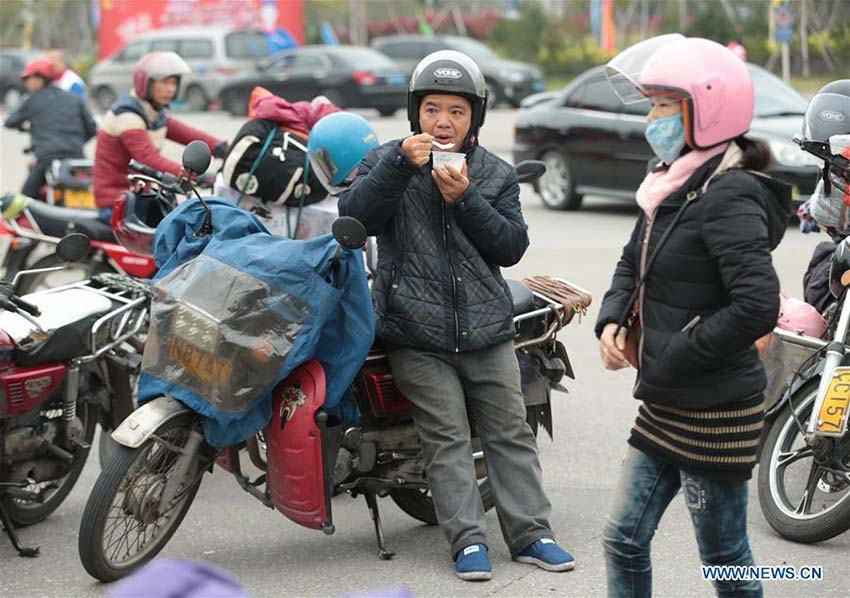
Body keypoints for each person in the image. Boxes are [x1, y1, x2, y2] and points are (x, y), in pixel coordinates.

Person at [338, 50, 575, 581]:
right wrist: (402, 164)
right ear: (415, 112)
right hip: (415, 334)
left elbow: (511, 247)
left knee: (509, 433)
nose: (442, 122)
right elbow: (353, 215)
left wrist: (466, 199)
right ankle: (468, 543)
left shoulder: (494, 172)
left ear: (475, 118)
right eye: (431, 110)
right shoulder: (386, 161)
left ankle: (533, 534)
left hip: (487, 329)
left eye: (456, 112)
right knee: (444, 438)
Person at [596, 35, 790, 597]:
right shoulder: (673, 181)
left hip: (713, 410)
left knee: (725, 558)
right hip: (667, 399)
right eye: (651, 104)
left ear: (706, 110)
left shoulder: (727, 194)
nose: (651, 118)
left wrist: (675, 352)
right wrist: (612, 319)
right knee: (623, 539)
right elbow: (636, 258)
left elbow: (756, 304)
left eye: (663, 106)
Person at [93, 51, 227, 222]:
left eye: (173, 82)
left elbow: (188, 133)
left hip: (141, 195)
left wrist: (223, 148)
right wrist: (196, 175)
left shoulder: (153, 112)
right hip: (117, 201)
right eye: (164, 82)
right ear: (145, 84)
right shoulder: (127, 115)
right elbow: (149, 158)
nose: (170, 89)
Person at [3, 57, 97, 199]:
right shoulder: (73, 98)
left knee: (24, 201)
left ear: (39, 78)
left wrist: (23, 127)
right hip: (77, 158)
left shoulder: (33, 100)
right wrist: (75, 141)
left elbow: (10, 121)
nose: (26, 83)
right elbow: (91, 128)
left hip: (47, 158)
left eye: (28, 78)